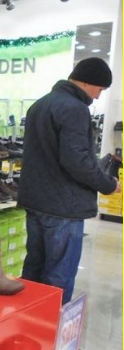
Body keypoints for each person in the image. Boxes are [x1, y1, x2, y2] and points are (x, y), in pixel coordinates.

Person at [18, 57, 121, 304]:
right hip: (63, 206)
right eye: (99, 89)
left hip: (36, 201)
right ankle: (52, 324)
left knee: (34, 267)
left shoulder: (40, 104)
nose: (98, 96)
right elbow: (77, 161)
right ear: (87, 82)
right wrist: (108, 184)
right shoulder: (75, 109)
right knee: (59, 275)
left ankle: (28, 320)